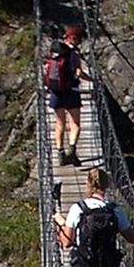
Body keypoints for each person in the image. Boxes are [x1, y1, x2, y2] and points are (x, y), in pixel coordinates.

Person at [46, 24, 85, 166]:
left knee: (59, 123)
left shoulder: (55, 51)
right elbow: (79, 73)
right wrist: (92, 80)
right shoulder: (73, 54)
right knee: (75, 123)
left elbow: (46, 68)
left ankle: (60, 153)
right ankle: (72, 151)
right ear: (77, 40)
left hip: (56, 91)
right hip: (71, 91)